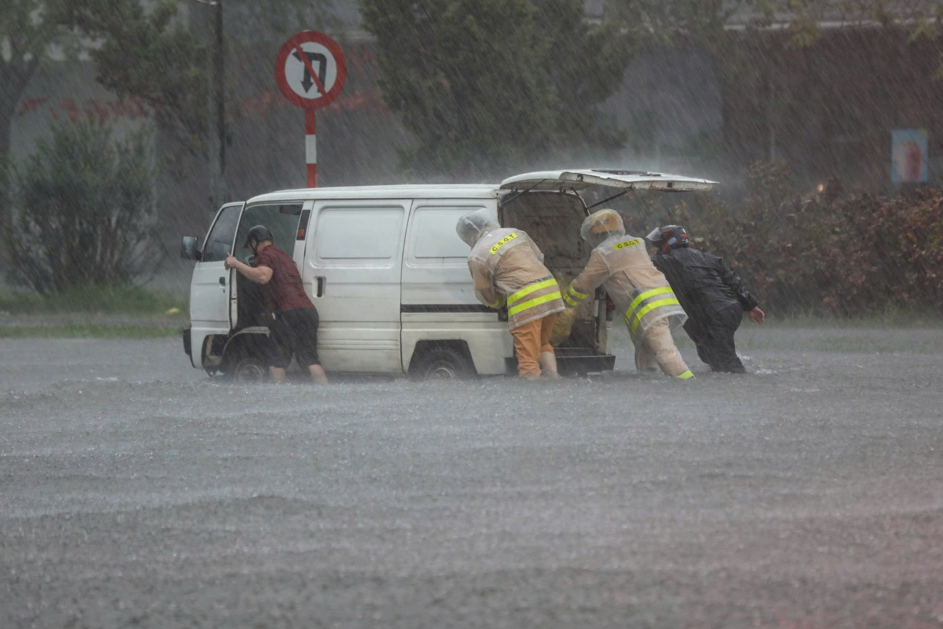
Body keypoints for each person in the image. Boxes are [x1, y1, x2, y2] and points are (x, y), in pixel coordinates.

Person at [561, 209, 694, 380]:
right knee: (646, 353)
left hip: (648, 308)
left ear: (594, 235)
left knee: (666, 355)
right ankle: (650, 381)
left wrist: (564, 304)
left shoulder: (603, 253)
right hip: (664, 302)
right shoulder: (635, 242)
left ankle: (689, 385)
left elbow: (582, 285)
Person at [456, 209, 564, 379]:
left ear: (470, 233)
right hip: (551, 291)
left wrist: (499, 303)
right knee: (543, 343)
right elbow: (538, 257)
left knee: (528, 358)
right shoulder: (514, 233)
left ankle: (532, 395)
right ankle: (554, 378)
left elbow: (485, 293)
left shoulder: (476, 256)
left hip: (526, 301)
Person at [647, 224, 765, 374]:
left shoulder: (668, 261)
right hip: (729, 310)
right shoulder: (709, 258)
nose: (656, 249)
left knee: (727, 361)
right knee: (708, 354)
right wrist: (751, 306)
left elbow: (642, 263)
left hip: (714, 314)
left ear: (668, 242)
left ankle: (742, 386)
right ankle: (724, 383)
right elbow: (733, 281)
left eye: (657, 245)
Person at [224, 225, 328, 384]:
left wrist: (236, 264)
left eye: (250, 247)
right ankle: (327, 397)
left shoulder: (265, 256)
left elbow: (263, 277)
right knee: (311, 360)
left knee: (276, 361)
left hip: (288, 314)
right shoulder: (283, 256)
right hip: (307, 312)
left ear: (254, 242)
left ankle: (279, 400)